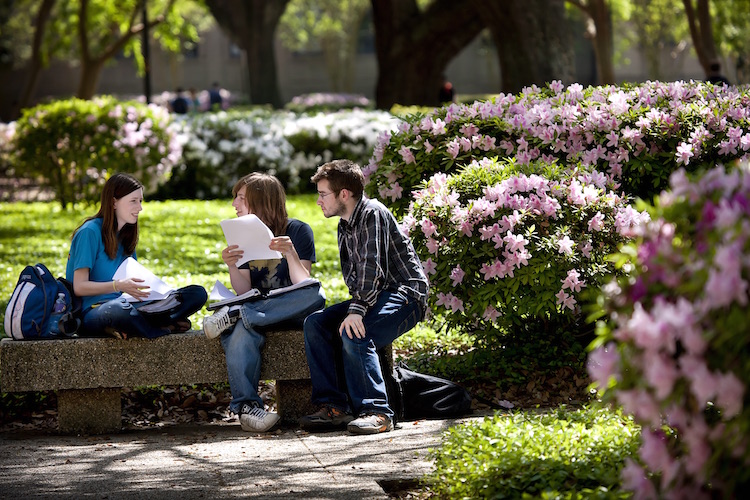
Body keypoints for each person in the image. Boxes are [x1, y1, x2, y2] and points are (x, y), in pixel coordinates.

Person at [299, 160, 429, 435]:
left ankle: (378, 411)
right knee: (316, 323)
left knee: (358, 332)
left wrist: (357, 310)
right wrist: (357, 307)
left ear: (344, 194)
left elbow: (373, 269)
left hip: (405, 294)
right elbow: (355, 278)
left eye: (323, 194)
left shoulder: (372, 213)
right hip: (375, 295)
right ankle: (335, 407)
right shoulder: (344, 225)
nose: (319, 201)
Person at [202, 172, 326, 432]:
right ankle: (247, 409)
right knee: (239, 333)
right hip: (257, 313)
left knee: (316, 295)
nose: (235, 204)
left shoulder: (298, 230)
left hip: (288, 309)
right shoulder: (241, 234)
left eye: (241, 198)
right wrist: (233, 266)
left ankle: (238, 314)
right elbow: (243, 288)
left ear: (263, 201)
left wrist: (290, 253)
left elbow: (302, 283)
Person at [66, 173, 207, 339]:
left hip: (130, 305)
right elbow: (79, 287)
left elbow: (133, 283)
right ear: (113, 202)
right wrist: (117, 286)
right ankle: (162, 328)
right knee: (119, 310)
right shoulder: (89, 232)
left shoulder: (126, 235)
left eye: (140, 201)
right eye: (133, 201)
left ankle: (146, 323)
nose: (139, 208)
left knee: (197, 294)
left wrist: (158, 293)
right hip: (94, 312)